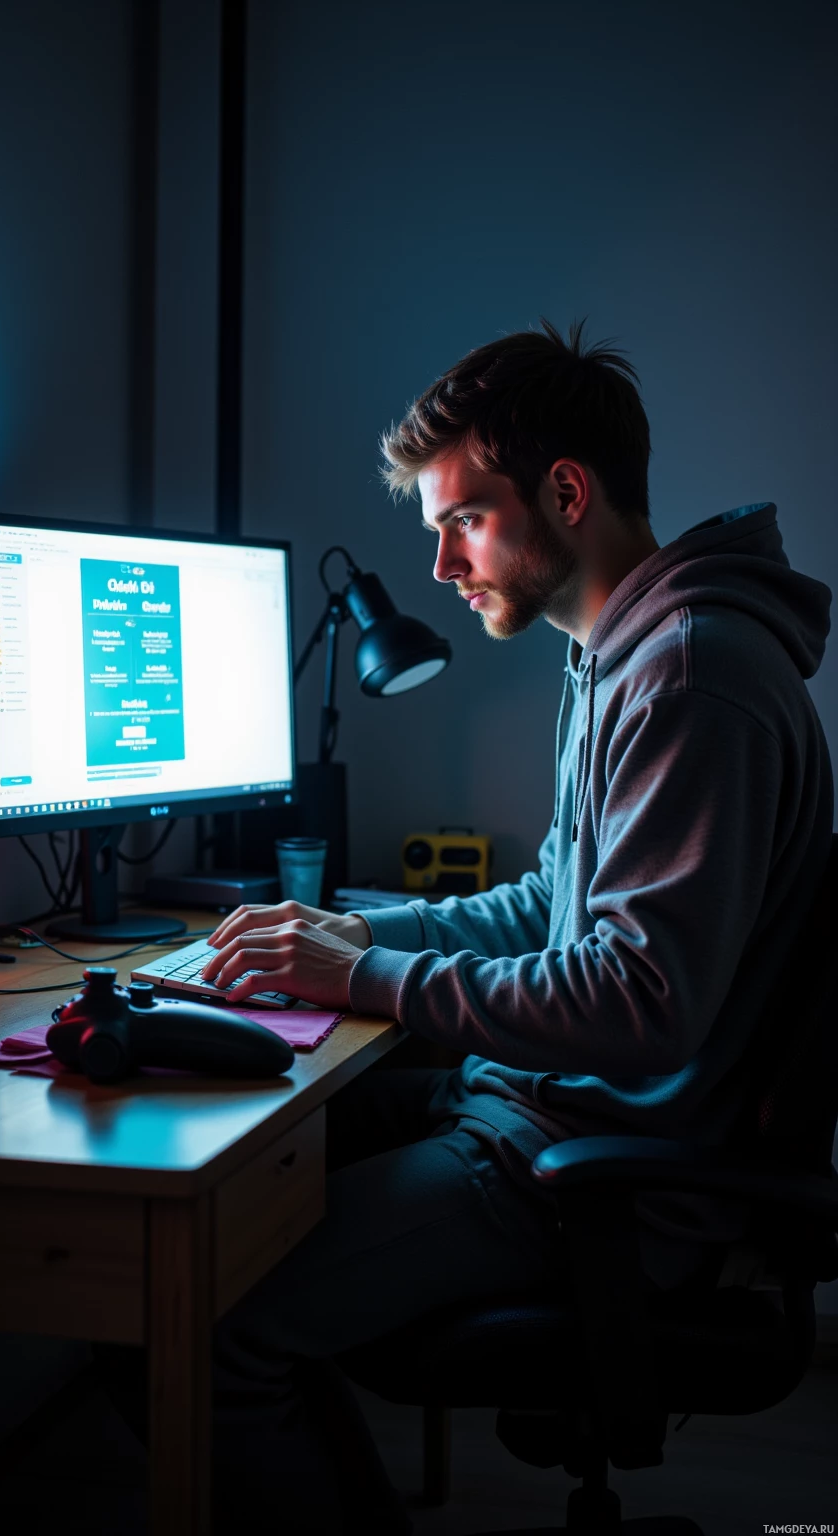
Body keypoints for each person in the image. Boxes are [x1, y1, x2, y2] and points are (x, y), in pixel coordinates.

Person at [200, 319, 833, 1534]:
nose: (441, 566)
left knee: (208, 1323)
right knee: (220, 1179)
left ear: (564, 491)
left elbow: (641, 1002)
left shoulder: (691, 675)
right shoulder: (619, 651)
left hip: (594, 1176)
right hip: (537, 1112)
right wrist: (348, 926)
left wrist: (373, 975)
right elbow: (551, 901)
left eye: (463, 521)